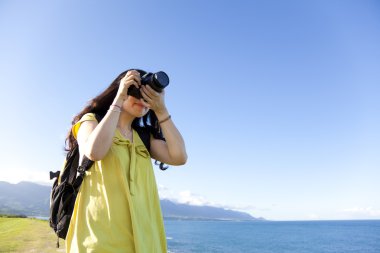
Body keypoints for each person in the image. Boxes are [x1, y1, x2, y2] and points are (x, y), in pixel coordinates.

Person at [64, 69, 187, 252]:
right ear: (119, 90)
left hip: (146, 242)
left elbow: (179, 157)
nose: (142, 98)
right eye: (135, 91)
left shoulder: (144, 138)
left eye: (147, 95)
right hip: (101, 242)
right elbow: (94, 152)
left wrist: (161, 109)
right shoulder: (91, 121)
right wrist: (119, 98)